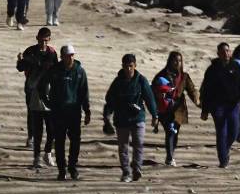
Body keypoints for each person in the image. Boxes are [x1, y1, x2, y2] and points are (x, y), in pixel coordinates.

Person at [103, 53, 158, 182]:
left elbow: (149, 98)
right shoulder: (117, 82)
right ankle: (126, 172)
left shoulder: (141, 80)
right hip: (121, 120)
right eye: (126, 66)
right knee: (123, 147)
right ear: (122, 66)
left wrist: (154, 115)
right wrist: (107, 117)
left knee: (138, 144)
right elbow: (110, 100)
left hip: (138, 118)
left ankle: (137, 168)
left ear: (135, 65)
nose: (128, 69)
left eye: (131, 66)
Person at [40, 42, 90, 181]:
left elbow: (84, 92)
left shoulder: (80, 71)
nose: (70, 58)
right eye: (67, 55)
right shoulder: (55, 70)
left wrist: (87, 110)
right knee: (59, 142)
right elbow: (42, 85)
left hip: (74, 112)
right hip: (58, 112)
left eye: (72, 55)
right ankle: (62, 170)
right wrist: (48, 102)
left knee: (75, 141)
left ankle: (72, 167)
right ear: (62, 56)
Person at [199, 42, 240, 168]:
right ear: (218, 54)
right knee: (221, 131)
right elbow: (206, 90)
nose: (225, 53)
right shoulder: (212, 70)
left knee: (233, 131)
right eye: (222, 51)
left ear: (230, 52)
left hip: (233, 105)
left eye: (227, 51)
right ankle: (223, 159)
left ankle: (225, 149)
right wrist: (204, 110)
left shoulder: (237, 66)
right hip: (217, 106)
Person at [17, 26, 58, 170]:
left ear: (49, 39)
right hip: (32, 89)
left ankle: (47, 153)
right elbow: (20, 67)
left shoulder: (52, 53)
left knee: (51, 125)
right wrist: (21, 61)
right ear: (37, 38)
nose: (43, 43)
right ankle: (31, 139)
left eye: (46, 40)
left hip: (48, 92)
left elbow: (56, 71)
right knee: (34, 117)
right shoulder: (30, 51)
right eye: (41, 40)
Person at [152, 50, 199, 166]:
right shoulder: (161, 76)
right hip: (164, 108)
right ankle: (169, 157)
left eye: (179, 61)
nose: (177, 63)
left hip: (178, 109)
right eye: (175, 60)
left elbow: (192, 91)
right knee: (169, 131)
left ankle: (171, 154)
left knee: (175, 132)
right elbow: (152, 92)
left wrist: (199, 103)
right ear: (170, 61)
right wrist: (155, 109)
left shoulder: (184, 77)